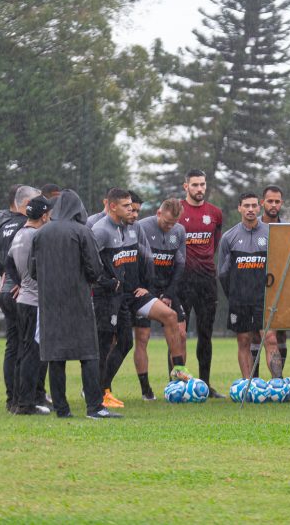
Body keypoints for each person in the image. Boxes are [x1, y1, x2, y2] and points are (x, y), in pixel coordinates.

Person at [93, 189, 189, 408]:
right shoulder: (100, 229)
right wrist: (104, 283)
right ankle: (100, 389)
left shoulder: (135, 228)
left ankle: (179, 370)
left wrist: (147, 286)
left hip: (134, 293)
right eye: (128, 207)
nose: (133, 212)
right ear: (113, 206)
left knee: (170, 316)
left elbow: (147, 259)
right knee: (112, 342)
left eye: (134, 208)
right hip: (111, 296)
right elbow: (88, 260)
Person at [30, 190, 121, 419]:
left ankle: (62, 409)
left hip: (50, 303)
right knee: (89, 354)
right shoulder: (82, 232)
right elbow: (95, 269)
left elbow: (33, 271)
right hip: (78, 302)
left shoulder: (41, 233)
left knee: (55, 357)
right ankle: (94, 407)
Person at [0, 184, 43, 413]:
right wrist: (17, 278)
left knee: (12, 346)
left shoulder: (5, 226)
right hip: (20, 292)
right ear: (27, 204)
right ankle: (27, 399)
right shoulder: (27, 226)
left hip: (6, 292)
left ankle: (11, 400)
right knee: (28, 346)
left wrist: (2, 272)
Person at [218, 193, 281, 378]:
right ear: (240, 208)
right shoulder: (228, 237)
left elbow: (280, 267)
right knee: (244, 341)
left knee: (270, 338)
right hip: (240, 300)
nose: (251, 209)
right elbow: (222, 273)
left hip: (265, 298)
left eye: (254, 205)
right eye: (246, 205)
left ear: (259, 207)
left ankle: (278, 383)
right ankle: (248, 384)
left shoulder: (272, 234)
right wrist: (233, 295)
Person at [133, 198, 189, 400]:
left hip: (168, 289)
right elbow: (135, 262)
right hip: (145, 289)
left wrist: (169, 294)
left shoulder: (179, 231)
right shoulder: (141, 227)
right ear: (158, 213)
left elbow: (180, 264)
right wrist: (147, 290)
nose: (169, 226)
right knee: (142, 337)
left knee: (181, 334)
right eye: (166, 222)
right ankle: (146, 389)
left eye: (173, 223)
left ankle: (177, 381)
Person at [5, 195, 53, 415]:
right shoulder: (38, 236)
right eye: (49, 215)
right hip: (35, 302)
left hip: (23, 300)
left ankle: (17, 401)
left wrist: (19, 282)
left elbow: (8, 263)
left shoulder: (19, 234)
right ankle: (27, 404)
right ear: (44, 216)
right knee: (33, 353)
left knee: (23, 351)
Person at [179, 170, 224, 397]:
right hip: (182, 281)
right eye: (195, 184)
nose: (199, 189)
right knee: (179, 333)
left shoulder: (215, 213)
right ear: (186, 186)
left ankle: (205, 385)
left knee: (205, 334)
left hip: (207, 280)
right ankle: (177, 384)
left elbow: (214, 245)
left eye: (202, 184)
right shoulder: (177, 210)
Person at [257, 185, 287, 373]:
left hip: (282, 292)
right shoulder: (253, 227)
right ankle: (255, 381)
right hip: (257, 292)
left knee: (280, 337)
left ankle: (279, 381)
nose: (274, 205)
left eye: (277, 201)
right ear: (262, 203)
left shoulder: (288, 230)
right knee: (259, 337)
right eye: (270, 201)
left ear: (281, 203)